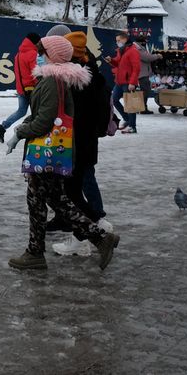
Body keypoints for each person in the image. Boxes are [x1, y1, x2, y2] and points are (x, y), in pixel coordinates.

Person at [7, 35, 121, 272]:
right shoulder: (57, 79)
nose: (38, 56)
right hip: (54, 152)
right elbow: (43, 113)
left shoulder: (51, 81)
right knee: (51, 200)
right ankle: (41, 250)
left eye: (42, 52)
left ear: (52, 56)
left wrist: (20, 132)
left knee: (43, 201)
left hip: (47, 152)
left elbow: (44, 120)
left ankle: (38, 252)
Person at [47, 30, 113, 236]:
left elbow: (74, 112)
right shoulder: (90, 72)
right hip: (83, 140)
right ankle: (81, 223)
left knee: (76, 187)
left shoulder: (77, 77)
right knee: (74, 186)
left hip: (76, 141)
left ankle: (93, 225)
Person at [0, 32, 41, 143]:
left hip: (21, 89)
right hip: (32, 89)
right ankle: (34, 133)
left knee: (21, 111)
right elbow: (35, 73)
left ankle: (2, 127)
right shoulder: (33, 54)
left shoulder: (18, 54)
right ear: (35, 42)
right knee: (38, 113)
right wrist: (40, 85)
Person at [105, 31, 141, 133]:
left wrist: (132, 82)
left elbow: (136, 68)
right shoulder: (122, 50)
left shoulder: (133, 51)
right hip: (120, 81)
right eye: (116, 41)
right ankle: (128, 120)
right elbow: (118, 63)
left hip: (128, 82)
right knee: (114, 100)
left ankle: (132, 126)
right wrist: (111, 60)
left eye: (119, 40)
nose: (117, 42)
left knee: (130, 104)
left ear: (125, 39)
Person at [136, 36, 159, 114]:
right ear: (141, 41)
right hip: (142, 73)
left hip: (143, 72)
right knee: (145, 91)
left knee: (144, 91)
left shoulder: (140, 47)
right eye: (145, 41)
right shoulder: (138, 48)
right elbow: (147, 58)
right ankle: (142, 108)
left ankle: (142, 107)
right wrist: (157, 56)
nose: (146, 42)